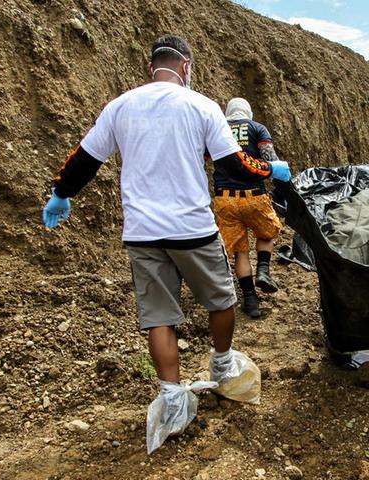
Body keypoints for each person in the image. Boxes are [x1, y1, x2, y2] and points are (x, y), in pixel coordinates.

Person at [41, 36, 291, 396]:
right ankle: (222, 364)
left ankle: (171, 396)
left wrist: (61, 194)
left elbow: (85, 159)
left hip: (142, 233)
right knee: (222, 300)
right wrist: (270, 170)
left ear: (151, 68)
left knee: (159, 318)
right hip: (192, 228)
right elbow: (235, 162)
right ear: (186, 67)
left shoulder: (120, 107)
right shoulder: (202, 106)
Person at [212, 97, 284, 319]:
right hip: (254, 196)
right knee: (267, 233)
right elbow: (269, 159)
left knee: (240, 251)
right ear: (248, 111)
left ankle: (250, 300)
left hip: (225, 199)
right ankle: (263, 269)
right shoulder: (257, 128)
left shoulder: (218, 129)